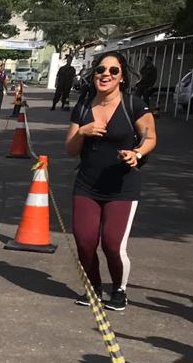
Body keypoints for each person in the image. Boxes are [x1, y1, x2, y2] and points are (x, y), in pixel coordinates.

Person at [63, 51, 156, 311]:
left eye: (113, 71)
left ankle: (119, 289)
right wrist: (83, 131)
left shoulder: (133, 105)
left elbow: (149, 137)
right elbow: (70, 149)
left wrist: (137, 153)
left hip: (122, 188)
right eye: (101, 70)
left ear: (122, 77)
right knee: (84, 241)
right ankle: (93, 287)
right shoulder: (83, 106)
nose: (106, 74)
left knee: (112, 244)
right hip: (86, 185)